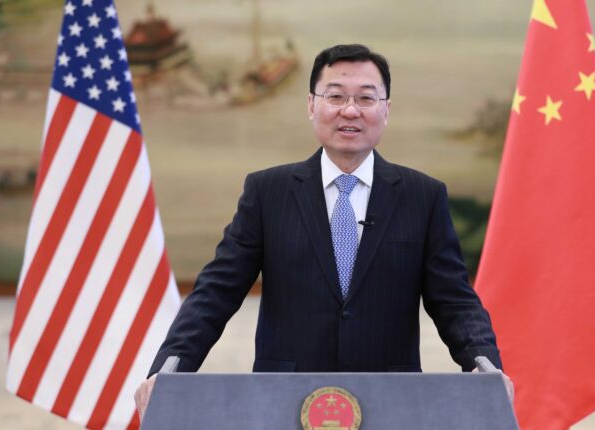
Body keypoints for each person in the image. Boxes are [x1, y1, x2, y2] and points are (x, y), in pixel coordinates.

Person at [135, 44, 509, 418]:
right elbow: (216, 291)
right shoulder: (268, 193)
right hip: (282, 403)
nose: (350, 110)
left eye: (366, 98)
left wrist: (485, 365)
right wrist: (170, 368)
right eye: (336, 96)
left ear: (386, 110)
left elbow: (454, 300)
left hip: (390, 403)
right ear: (312, 105)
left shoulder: (422, 196)